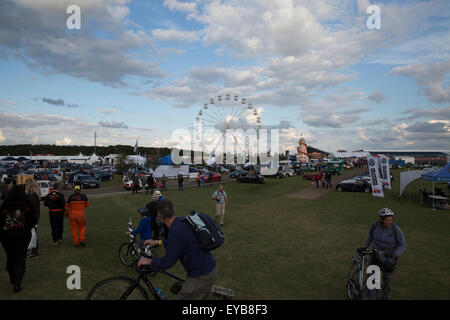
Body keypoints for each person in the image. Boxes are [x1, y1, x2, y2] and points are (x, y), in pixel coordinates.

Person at [138, 200, 217, 300]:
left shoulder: (175, 231)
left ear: (160, 216)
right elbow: (178, 242)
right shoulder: (181, 222)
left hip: (201, 276)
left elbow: (167, 262)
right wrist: (158, 242)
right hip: (209, 269)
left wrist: (148, 261)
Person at [359, 208, 407, 300]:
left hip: (389, 259)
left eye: (391, 220)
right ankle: (364, 297)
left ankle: (386, 297)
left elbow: (403, 244)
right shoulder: (375, 225)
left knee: (387, 282)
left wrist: (397, 253)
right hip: (376, 256)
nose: (389, 222)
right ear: (381, 219)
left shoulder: (395, 229)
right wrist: (365, 245)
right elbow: (370, 235)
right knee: (371, 279)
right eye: (387, 220)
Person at [0, 185, 39, 293]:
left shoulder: (5, 205)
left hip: (6, 234)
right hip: (22, 234)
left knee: (10, 256)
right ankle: (17, 282)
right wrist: (27, 228)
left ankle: (13, 278)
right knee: (20, 258)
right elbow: (33, 218)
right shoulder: (26, 203)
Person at [44, 182, 66, 247]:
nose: (61, 188)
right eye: (60, 187)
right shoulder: (61, 195)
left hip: (52, 212)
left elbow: (45, 204)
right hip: (59, 212)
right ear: (58, 187)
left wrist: (51, 204)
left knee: (53, 226)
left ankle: (55, 240)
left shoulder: (49, 195)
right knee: (60, 225)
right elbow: (63, 204)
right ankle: (59, 238)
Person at [25, 179, 41, 259]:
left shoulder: (32, 196)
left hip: (31, 219)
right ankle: (34, 252)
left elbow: (33, 209)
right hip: (33, 218)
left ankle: (34, 252)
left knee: (32, 235)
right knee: (33, 235)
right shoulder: (34, 195)